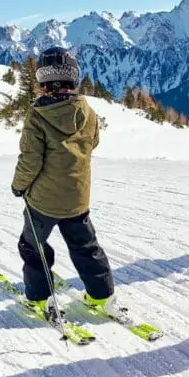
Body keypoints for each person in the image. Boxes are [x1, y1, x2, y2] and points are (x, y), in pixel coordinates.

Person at [11, 47, 114, 317]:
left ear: (42, 82)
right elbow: (93, 144)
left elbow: (30, 160)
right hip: (77, 198)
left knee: (33, 246)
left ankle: (37, 298)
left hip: (43, 202)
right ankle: (101, 296)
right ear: (74, 78)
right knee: (86, 247)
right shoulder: (88, 112)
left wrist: (19, 185)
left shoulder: (37, 116)